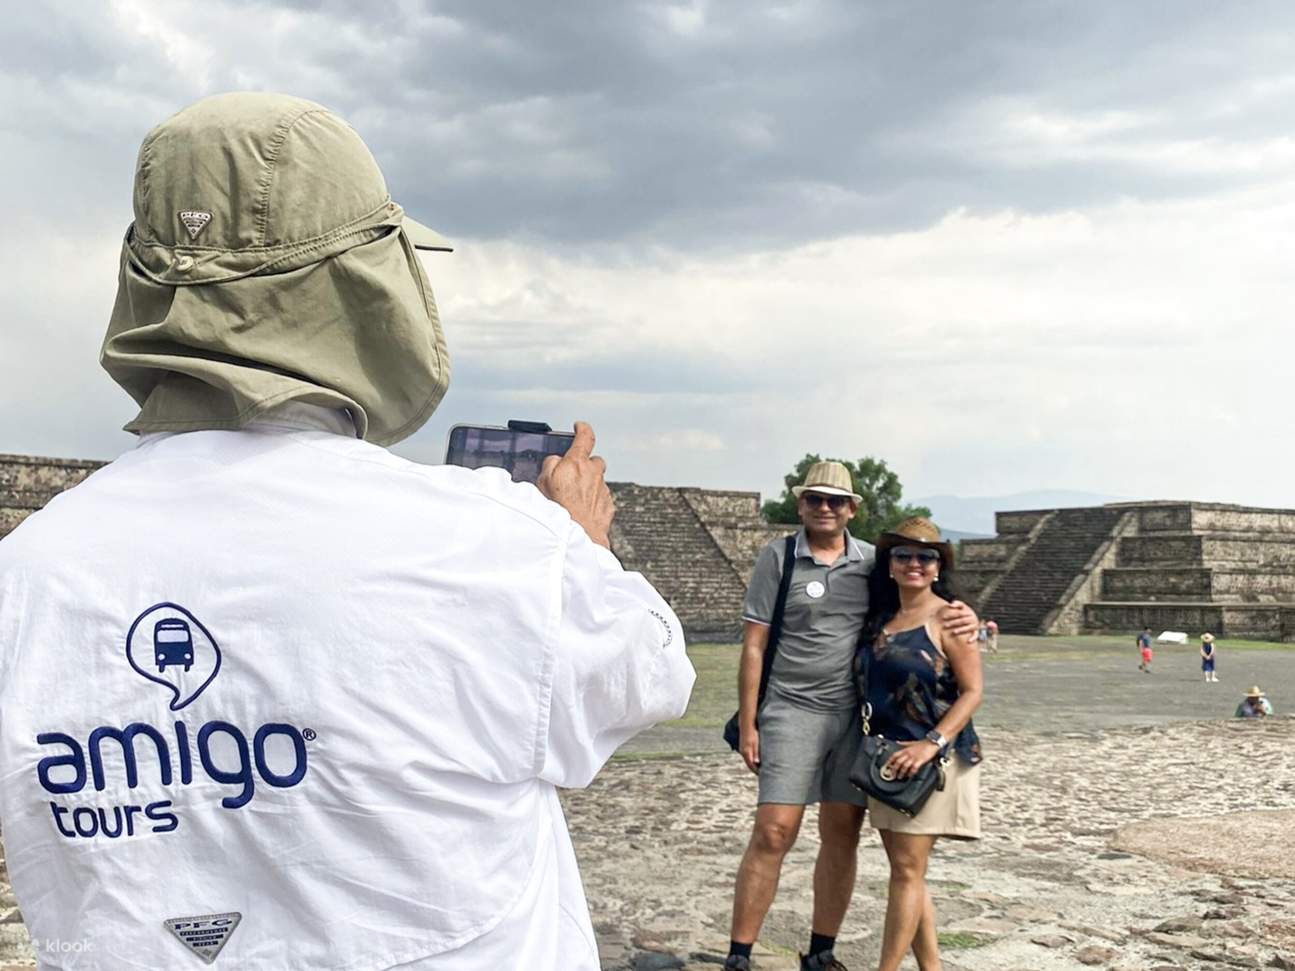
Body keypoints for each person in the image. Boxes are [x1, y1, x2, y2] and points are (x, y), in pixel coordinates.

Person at [0, 92, 695, 971]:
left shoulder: (24, 576)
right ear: (368, 288)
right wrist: (579, 540)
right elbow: (650, 674)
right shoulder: (491, 544)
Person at [725, 463, 979, 971]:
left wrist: (963, 612)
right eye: (815, 499)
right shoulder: (779, 558)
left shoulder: (872, 562)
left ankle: (821, 951)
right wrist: (750, 722)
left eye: (836, 501)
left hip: (856, 720)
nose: (825, 508)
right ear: (799, 504)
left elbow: (920, 601)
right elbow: (754, 646)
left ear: (852, 509)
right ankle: (739, 954)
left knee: (841, 831)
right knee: (774, 829)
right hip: (792, 708)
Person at [857, 517, 983, 971]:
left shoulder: (949, 617)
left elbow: (973, 691)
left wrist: (931, 744)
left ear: (938, 567)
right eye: (904, 555)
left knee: (907, 873)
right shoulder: (883, 619)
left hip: (932, 761)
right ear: (889, 564)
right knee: (908, 874)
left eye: (926, 557)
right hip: (889, 761)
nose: (915, 563)